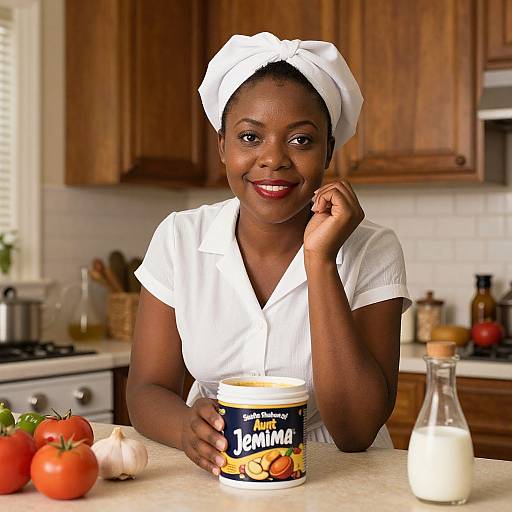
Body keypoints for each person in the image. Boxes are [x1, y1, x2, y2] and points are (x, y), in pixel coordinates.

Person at [127, 32, 411, 477]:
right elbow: (146, 389)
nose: (273, 159)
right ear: (222, 146)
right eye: (250, 137)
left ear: (329, 151)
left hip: (342, 479)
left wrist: (319, 260)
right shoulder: (180, 237)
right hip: (216, 473)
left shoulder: (373, 248)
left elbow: (355, 432)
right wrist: (186, 427)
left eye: (300, 141)